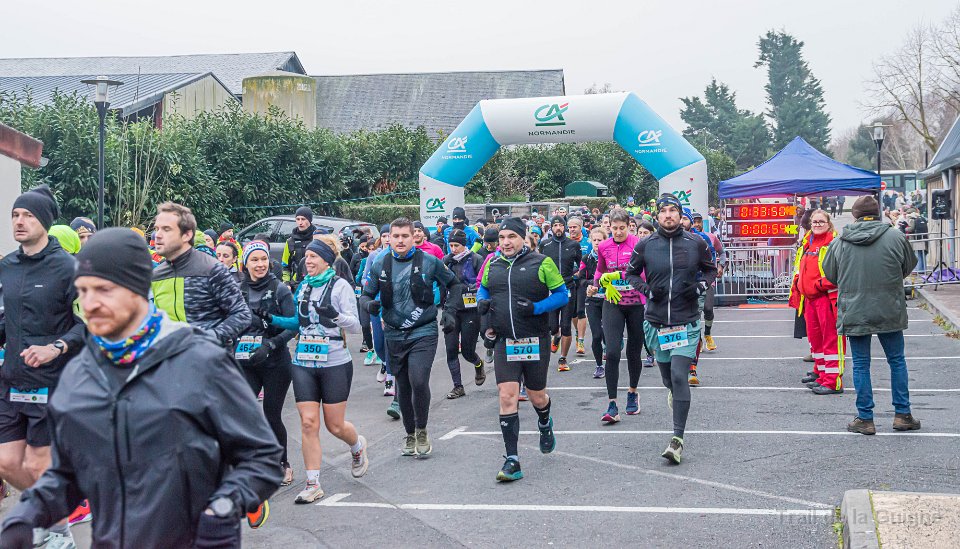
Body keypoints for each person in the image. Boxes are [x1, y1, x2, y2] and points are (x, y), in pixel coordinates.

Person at [0, 228, 282, 547]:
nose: (90, 304)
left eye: (103, 290)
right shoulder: (80, 375)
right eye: (83, 291)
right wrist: (26, 516)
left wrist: (223, 507)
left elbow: (262, 456)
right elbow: (69, 473)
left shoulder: (200, 358)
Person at [0, 185, 85, 548]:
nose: (19, 221)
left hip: (51, 380)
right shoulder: (6, 266)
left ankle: (56, 529)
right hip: (11, 379)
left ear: (46, 222)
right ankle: (52, 518)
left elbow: (88, 324)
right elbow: (7, 321)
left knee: (38, 464)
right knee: (6, 461)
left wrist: (56, 347)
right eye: (15, 215)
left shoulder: (68, 268)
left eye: (28, 216)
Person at [267, 239, 369, 503]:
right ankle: (313, 483)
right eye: (307, 257)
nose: (307, 261)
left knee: (335, 425)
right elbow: (297, 322)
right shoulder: (304, 286)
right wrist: (271, 319)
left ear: (326, 260)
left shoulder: (340, 286)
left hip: (334, 362)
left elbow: (355, 326)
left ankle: (357, 446)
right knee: (308, 422)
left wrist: (335, 315)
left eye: (313, 256)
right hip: (303, 361)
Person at [359, 218, 462, 456]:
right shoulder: (380, 263)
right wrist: (369, 305)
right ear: (389, 239)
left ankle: (422, 429)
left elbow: (455, 285)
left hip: (423, 330)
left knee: (418, 380)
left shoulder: (429, 261)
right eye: (395, 236)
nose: (400, 240)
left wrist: (449, 312)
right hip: (394, 333)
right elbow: (365, 295)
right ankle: (410, 433)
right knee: (403, 386)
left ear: (414, 236)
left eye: (405, 236)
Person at [626, 194, 717, 464]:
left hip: (686, 321)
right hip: (656, 324)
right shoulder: (645, 245)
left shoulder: (696, 242)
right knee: (668, 379)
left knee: (679, 376)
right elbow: (630, 274)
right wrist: (646, 290)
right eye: (663, 211)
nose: (668, 215)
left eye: (673, 210)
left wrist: (700, 287)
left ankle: (677, 439)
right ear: (657, 216)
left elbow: (711, 270)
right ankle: (674, 393)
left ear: (680, 214)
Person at [822, 195, 921, 435]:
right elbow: (908, 265)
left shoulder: (840, 242)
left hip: (855, 309)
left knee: (861, 364)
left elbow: (830, 274)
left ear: (855, 215)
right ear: (877, 213)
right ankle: (903, 414)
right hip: (889, 307)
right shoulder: (895, 237)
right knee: (896, 361)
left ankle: (865, 418)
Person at [476, 217, 565, 481]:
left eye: (511, 237)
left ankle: (545, 422)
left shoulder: (542, 262)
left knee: (537, 397)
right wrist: (482, 302)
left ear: (523, 237)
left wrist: (537, 308)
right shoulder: (492, 263)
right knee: (507, 396)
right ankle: (512, 459)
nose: (505, 242)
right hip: (505, 341)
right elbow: (483, 289)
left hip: (534, 340)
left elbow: (562, 295)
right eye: (502, 238)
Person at [237, 240, 297, 488]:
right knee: (241, 413)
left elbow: (293, 325)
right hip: (245, 361)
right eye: (254, 260)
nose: (260, 264)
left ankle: (283, 464)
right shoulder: (237, 290)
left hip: (275, 362)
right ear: (245, 264)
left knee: (271, 415)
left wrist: (270, 345)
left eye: (263, 259)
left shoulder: (280, 289)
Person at [151, 202, 251, 347]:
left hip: (210, 357)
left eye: (166, 229)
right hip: (170, 357)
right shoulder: (156, 275)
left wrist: (210, 337)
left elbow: (242, 314)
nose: (158, 235)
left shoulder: (212, 269)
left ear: (187, 234)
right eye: (156, 229)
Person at [595, 209, 646, 422]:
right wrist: (599, 283)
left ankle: (632, 392)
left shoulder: (638, 244)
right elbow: (600, 271)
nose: (617, 232)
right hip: (613, 302)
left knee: (633, 352)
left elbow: (644, 273)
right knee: (613, 352)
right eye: (614, 228)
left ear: (629, 226)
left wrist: (620, 275)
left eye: (622, 228)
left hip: (636, 303)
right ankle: (612, 404)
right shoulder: (604, 246)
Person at [788, 210, 844, 395]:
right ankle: (822, 375)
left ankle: (833, 382)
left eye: (821, 221)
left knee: (831, 340)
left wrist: (820, 284)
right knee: (816, 340)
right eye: (815, 222)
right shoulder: (808, 242)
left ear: (828, 223)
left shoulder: (834, 243)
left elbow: (841, 272)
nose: (818, 225)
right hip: (809, 299)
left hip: (827, 298)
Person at [441, 230, 487, 398]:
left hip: (470, 311)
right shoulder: (446, 261)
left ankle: (478, 363)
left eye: (457, 245)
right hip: (451, 310)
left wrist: (468, 289)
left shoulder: (476, 259)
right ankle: (458, 386)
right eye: (451, 245)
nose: (453, 249)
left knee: (467, 351)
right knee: (451, 349)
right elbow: (440, 283)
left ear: (464, 245)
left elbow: (482, 283)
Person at [538, 216, 582, 372]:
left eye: (561, 225)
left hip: (568, 288)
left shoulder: (573, 245)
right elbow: (539, 265)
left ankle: (563, 359)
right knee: (552, 326)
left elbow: (581, 264)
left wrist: (576, 273)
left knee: (566, 325)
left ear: (565, 227)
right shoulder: (545, 245)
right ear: (551, 227)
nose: (558, 228)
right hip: (551, 290)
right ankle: (556, 335)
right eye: (555, 225)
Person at [693, 212, 723, 353]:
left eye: (699, 221)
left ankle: (707, 334)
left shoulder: (710, 237)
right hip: (692, 280)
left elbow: (722, 252)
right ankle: (698, 340)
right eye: (694, 221)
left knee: (708, 309)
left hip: (708, 279)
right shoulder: (686, 238)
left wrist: (721, 266)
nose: (697, 224)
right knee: (695, 313)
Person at [582, 228, 608, 378]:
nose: (597, 243)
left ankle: (610, 346)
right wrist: (590, 285)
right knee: (596, 335)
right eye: (594, 240)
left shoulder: (610, 257)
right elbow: (580, 279)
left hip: (609, 299)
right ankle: (599, 366)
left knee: (608, 334)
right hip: (592, 300)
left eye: (600, 240)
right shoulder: (586, 258)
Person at [567, 215, 592, 356]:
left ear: (580, 227)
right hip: (569, 281)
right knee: (573, 313)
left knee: (581, 311)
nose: (572, 230)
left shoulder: (587, 243)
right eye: (570, 227)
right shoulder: (565, 242)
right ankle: (577, 331)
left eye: (574, 227)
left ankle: (581, 341)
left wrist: (583, 273)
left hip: (582, 281)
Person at [283, 206, 316, 291]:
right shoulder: (290, 242)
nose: (300, 222)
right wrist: (286, 283)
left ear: (309, 220)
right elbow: (285, 266)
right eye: (298, 219)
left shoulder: (318, 238)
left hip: (316, 283)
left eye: (303, 219)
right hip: (297, 284)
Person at [904, 208, 928, 272]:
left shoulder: (912, 219)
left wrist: (905, 229)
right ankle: (923, 269)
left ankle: (919, 269)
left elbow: (911, 228)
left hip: (917, 238)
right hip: (924, 237)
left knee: (918, 254)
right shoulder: (922, 218)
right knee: (922, 254)